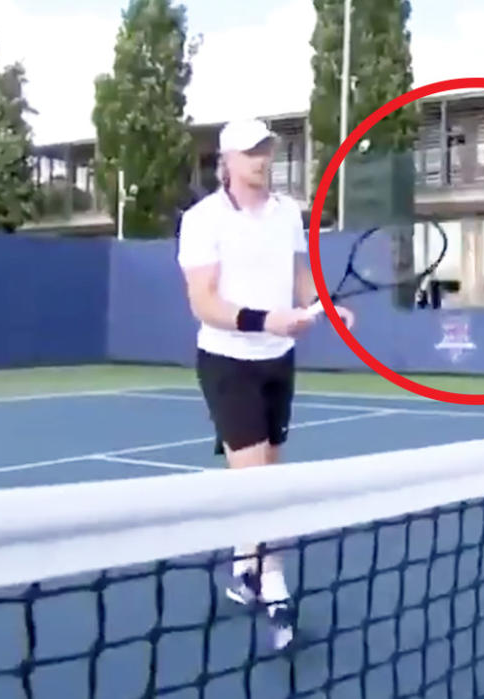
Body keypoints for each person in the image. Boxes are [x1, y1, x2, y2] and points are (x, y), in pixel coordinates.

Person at [176, 117, 354, 649]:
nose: (262, 160)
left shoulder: (287, 214)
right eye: (251, 152)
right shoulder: (202, 220)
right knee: (264, 487)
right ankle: (274, 587)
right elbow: (203, 303)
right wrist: (264, 320)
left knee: (269, 471)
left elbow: (299, 275)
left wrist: (322, 306)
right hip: (229, 361)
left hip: (280, 359)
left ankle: (243, 566)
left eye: (266, 150)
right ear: (226, 161)